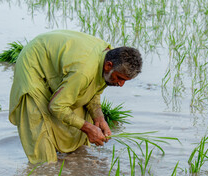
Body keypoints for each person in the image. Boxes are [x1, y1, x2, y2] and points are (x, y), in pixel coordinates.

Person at [9, 30, 142, 164]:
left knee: (78, 127)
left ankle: (69, 164)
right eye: (120, 78)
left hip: (60, 65)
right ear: (108, 66)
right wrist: (88, 128)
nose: (121, 84)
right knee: (41, 135)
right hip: (33, 64)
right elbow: (57, 106)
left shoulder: (110, 57)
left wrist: (99, 117)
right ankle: (44, 175)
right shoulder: (83, 72)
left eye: (125, 80)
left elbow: (94, 89)